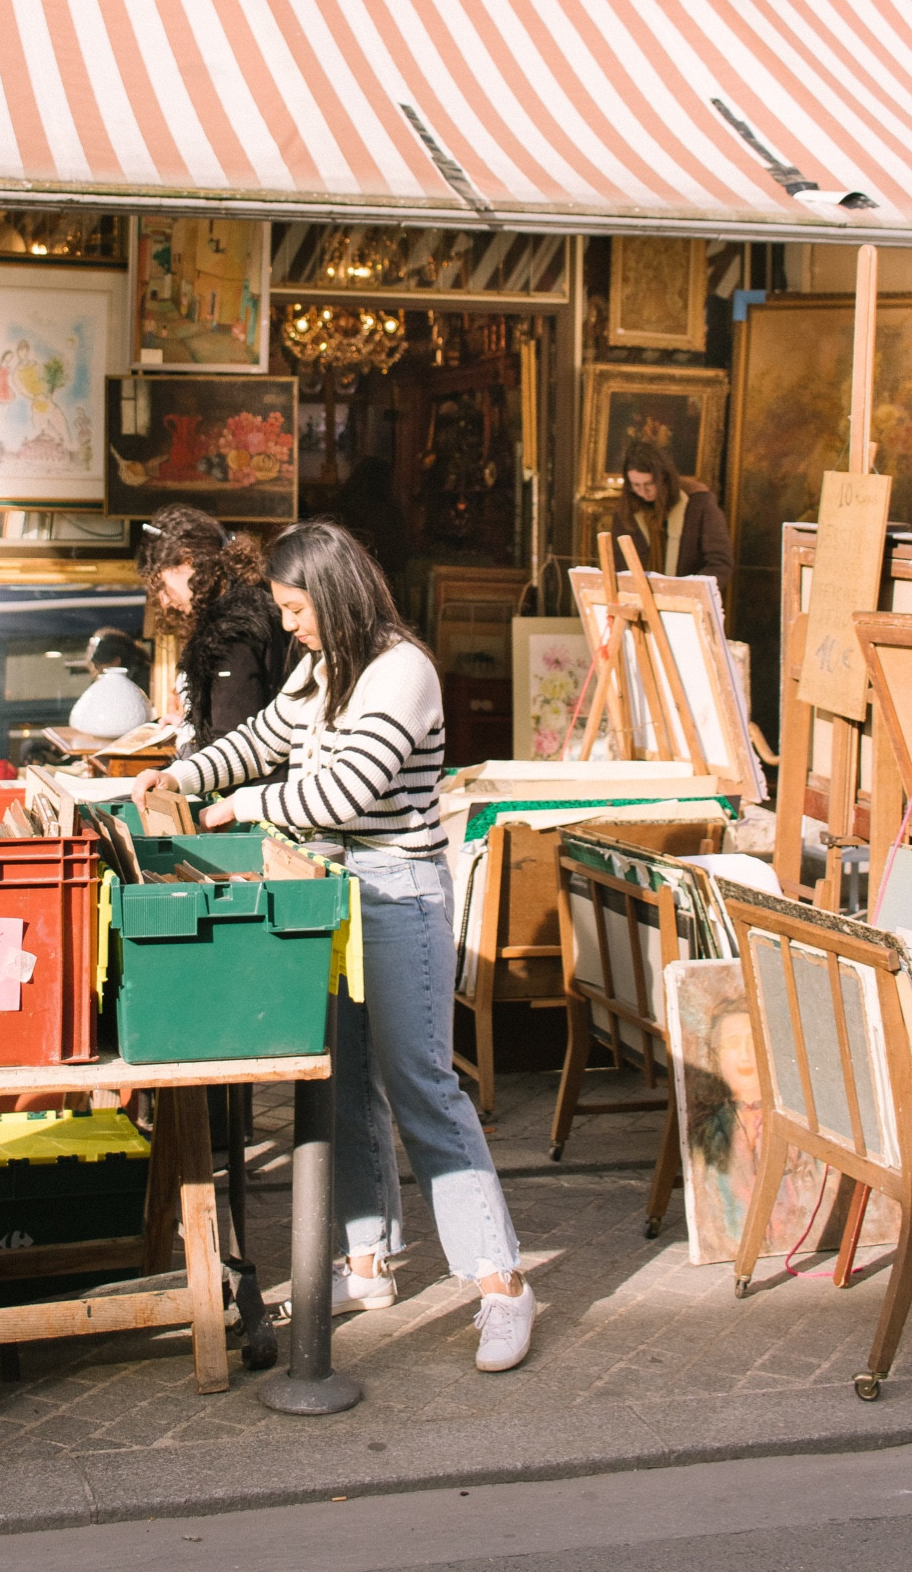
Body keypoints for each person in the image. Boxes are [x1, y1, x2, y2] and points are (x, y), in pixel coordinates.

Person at [131, 519, 536, 1374]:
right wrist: (186, 775)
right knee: (343, 1083)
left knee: (423, 1088)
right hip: (332, 891)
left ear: (335, 593)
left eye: (294, 608)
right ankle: (364, 1262)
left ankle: (500, 1285)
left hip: (396, 893)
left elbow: (351, 790)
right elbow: (264, 739)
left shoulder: (402, 672)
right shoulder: (323, 667)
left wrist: (245, 807)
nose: (287, 627)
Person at [136, 505, 289, 755]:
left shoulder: (234, 630)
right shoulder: (248, 603)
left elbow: (230, 738)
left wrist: (187, 751)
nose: (164, 601)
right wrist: (192, 723)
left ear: (189, 560)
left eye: (162, 585)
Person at [612, 440, 734, 596]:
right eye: (636, 485)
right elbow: (618, 563)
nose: (643, 491)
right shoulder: (626, 509)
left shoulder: (699, 503)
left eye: (649, 484)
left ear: (663, 478)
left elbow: (720, 562)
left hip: (689, 603)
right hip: (639, 602)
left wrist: (688, 593)